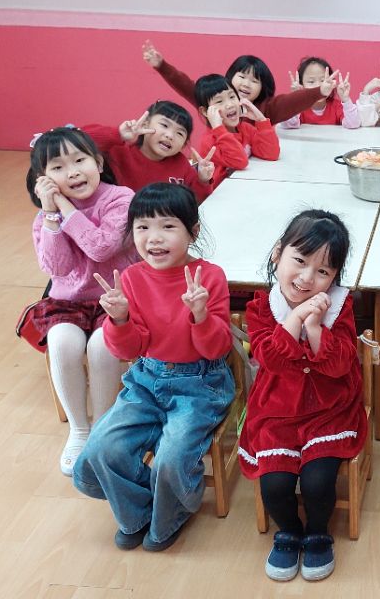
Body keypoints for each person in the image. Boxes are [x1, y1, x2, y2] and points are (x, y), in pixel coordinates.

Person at [73, 182, 236, 551]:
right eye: (143, 227)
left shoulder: (209, 276)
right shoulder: (131, 278)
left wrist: (200, 314)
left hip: (201, 383)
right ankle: (139, 512)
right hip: (147, 378)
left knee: (172, 459)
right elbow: (129, 349)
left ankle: (170, 515)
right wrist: (119, 319)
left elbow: (217, 348)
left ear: (193, 232)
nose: (154, 238)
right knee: (102, 449)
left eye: (168, 226)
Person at [238, 210, 366, 582]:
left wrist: (315, 328)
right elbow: (271, 361)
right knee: (274, 484)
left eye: (323, 271)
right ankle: (290, 531)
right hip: (277, 411)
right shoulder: (261, 307)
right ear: (278, 254)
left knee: (317, 482)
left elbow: (340, 366)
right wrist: (295, 319)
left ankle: (318, 533)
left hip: (330, 409)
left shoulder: (339, 306)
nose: (308, 278)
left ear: (334, 277)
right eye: (300, 260)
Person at [27, 126, 135, 476]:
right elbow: (57, 268)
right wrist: (51, 215)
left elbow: (101, 247)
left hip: (117, 297)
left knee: (103, 346)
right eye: (58, 167)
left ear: (98, 163)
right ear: (43, 179)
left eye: (79, 160)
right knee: (62, 343)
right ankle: (79, 429)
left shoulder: (120, 198)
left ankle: (102, 425)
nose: (72, 172)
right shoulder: (44, 218)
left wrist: (63, 205)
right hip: (69, 302)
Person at [142, 40, 326, 126]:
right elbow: (186, 85)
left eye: (254, 81)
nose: (247, 84)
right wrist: (161, 66)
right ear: (230, 77)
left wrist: (320, 91)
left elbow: (292, 102)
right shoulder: (214, 100)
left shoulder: (266, 108)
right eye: (242, 77)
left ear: (262, 88)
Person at [82, 100, 217, 203]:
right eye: (164, 125)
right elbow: (78, 140)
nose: (170, 135)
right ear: (145, 124)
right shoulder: (120, 150)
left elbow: (198, 201)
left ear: (183, 145)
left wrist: (203, 180)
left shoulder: (181, 164)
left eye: (180, 133)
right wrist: (118, 134)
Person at [193, 74, 281, 187]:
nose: (229, 104)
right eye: (219, 101)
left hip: (245, 186)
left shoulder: (245, 129)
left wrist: (261, 120)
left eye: (232, 97)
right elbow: (240, 162)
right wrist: (219, 130)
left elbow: (271, 154)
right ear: (205, 111)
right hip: (222, 193)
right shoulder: (209, 142)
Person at [280, 57, 360, 129]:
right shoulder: (300, 107)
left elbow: (353, 124)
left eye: (323, 80)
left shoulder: (337, 106)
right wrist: (295, 99)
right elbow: (288, 125)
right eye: (311, 81)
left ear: (332, 83)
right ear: (302, 85)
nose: (318, 86)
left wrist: (346, 99)